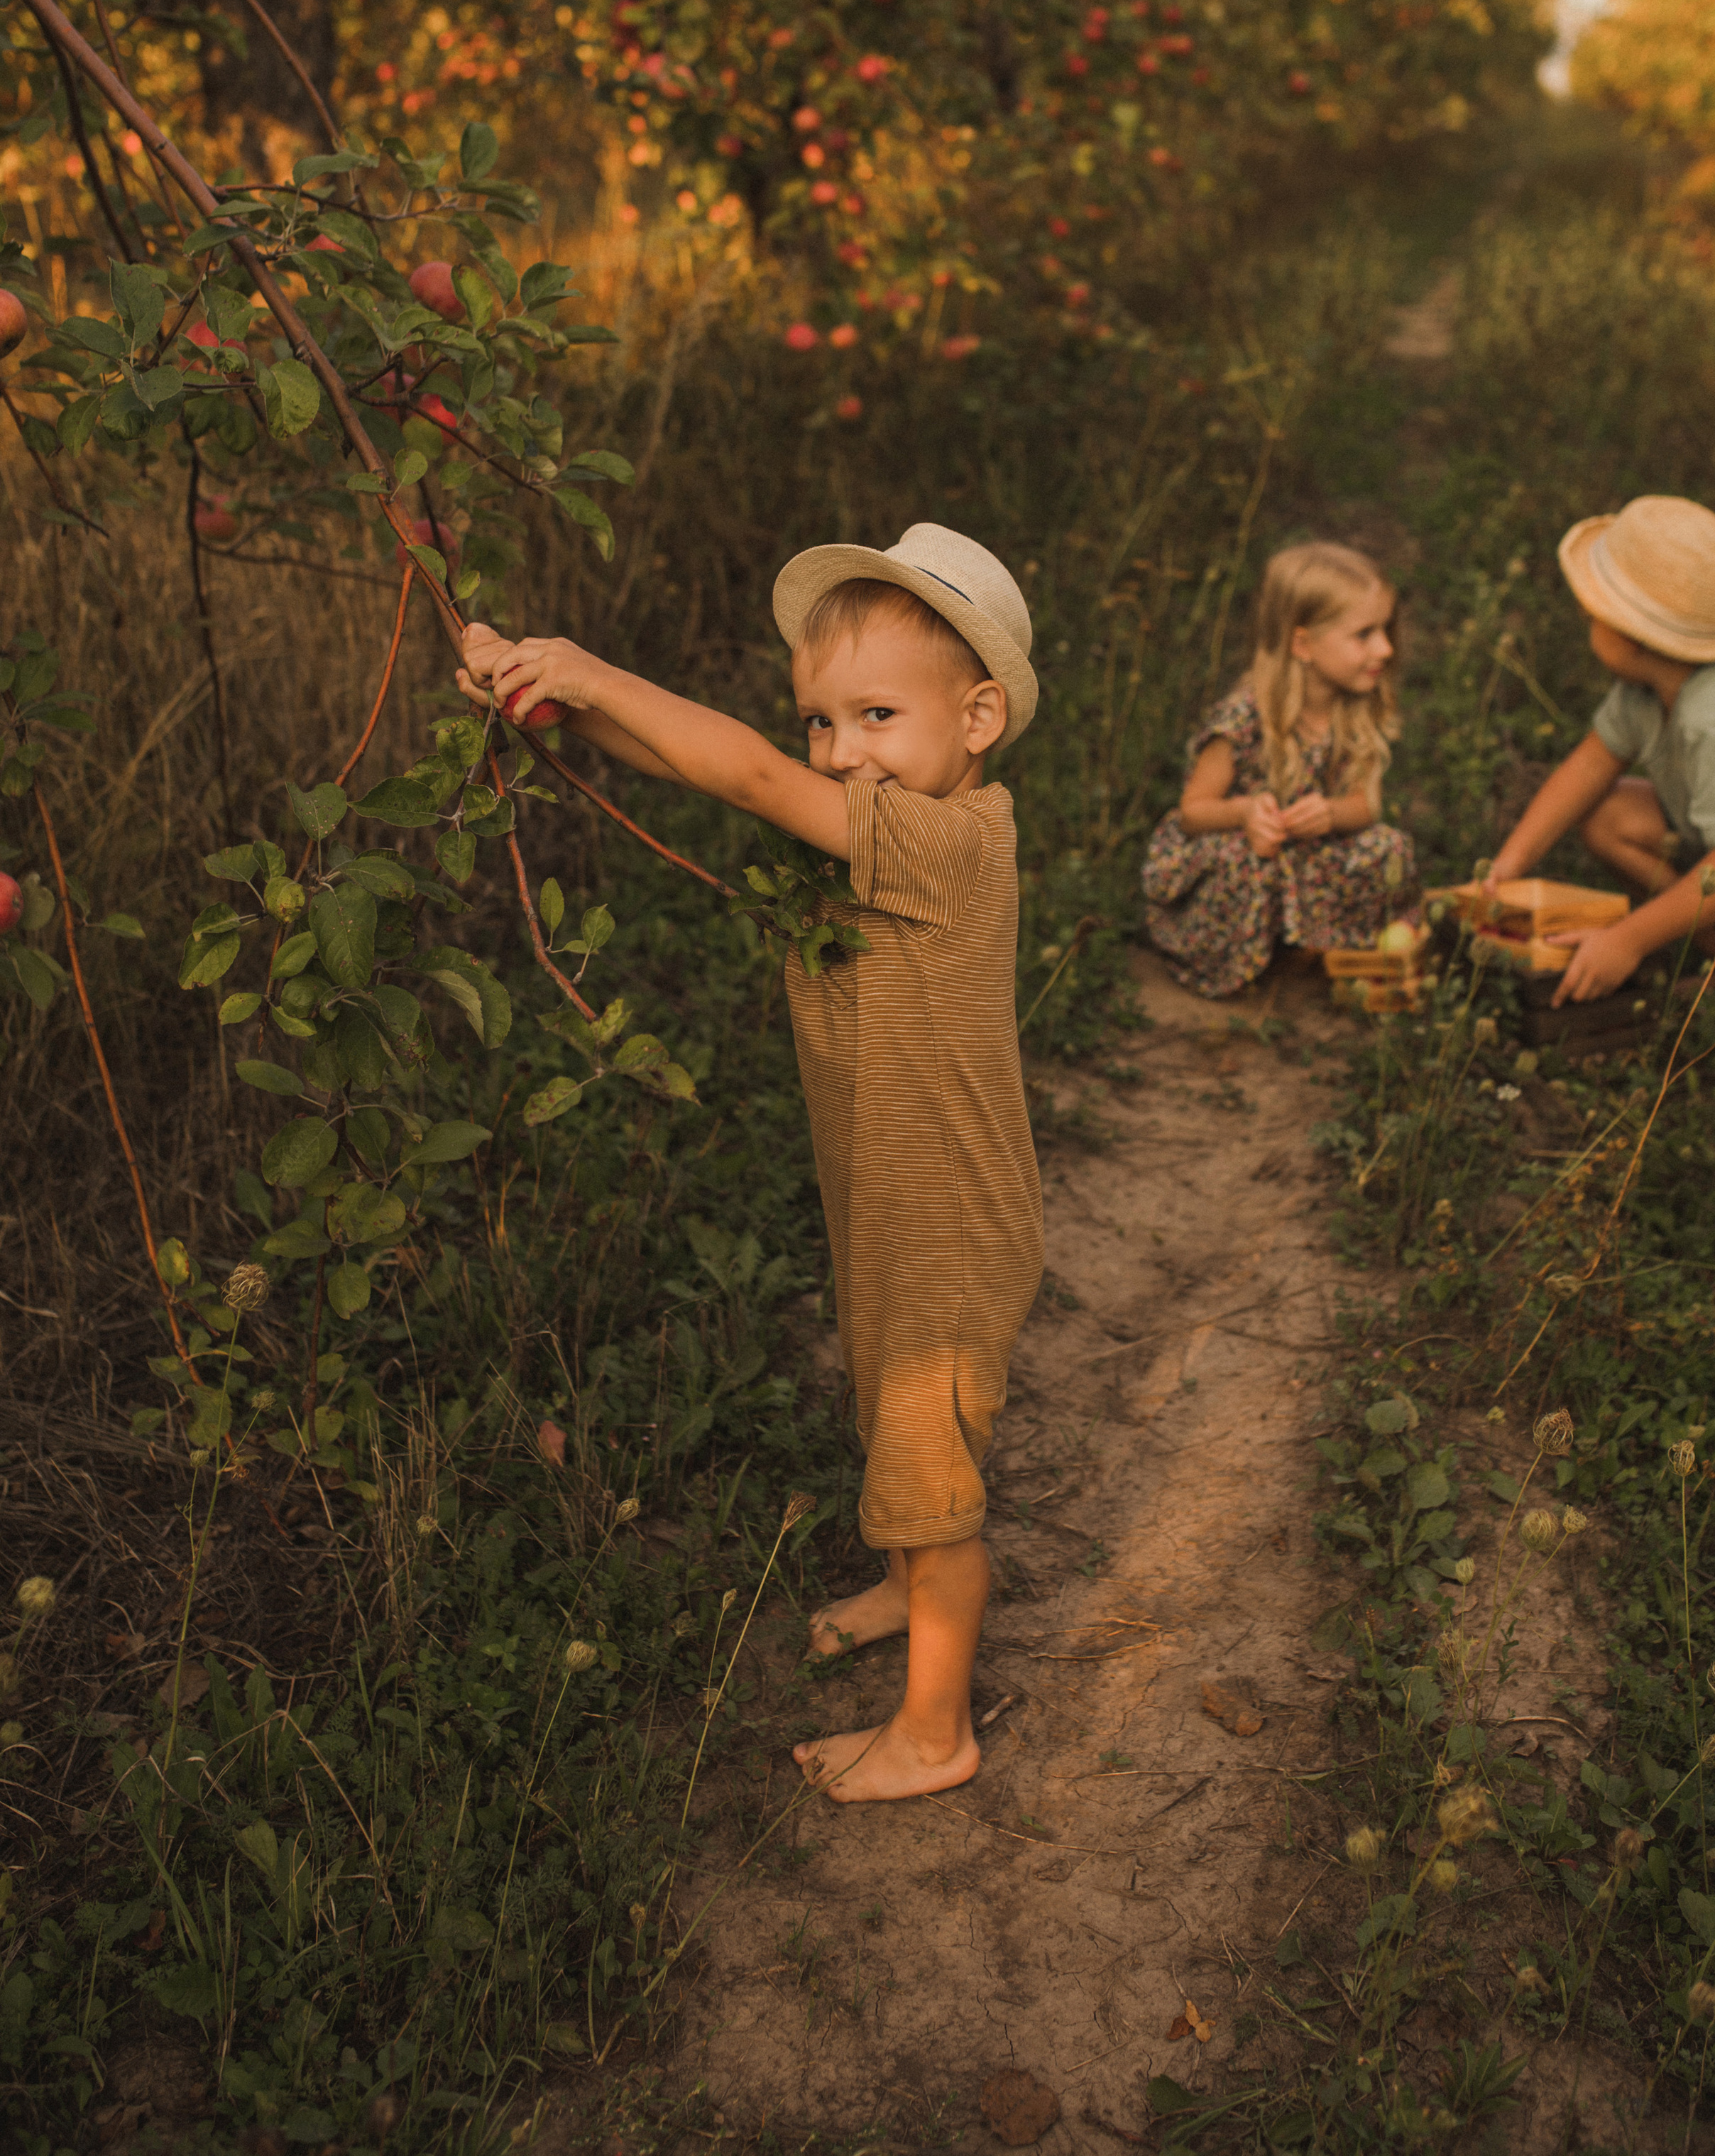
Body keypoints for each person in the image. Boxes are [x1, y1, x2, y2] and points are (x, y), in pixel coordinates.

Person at [456, 523, 1043, 1800]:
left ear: (980, 716)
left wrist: (596, 673)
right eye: (824, 724)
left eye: (877, 714)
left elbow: (755, 781)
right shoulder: (885, 817)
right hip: (889, 1195)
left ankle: (937, 1735)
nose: (843, 754)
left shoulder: (954, 846)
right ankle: (900, 1589)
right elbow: (712, 767)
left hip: (952, 1218)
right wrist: (550, 694)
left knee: (928, 1467)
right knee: (886, 1399)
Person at [1486, 494, 1715, 1070]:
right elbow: (1588, 770)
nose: (1589, 621)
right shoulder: (1648, 686)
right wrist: (1507, 867)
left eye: (1596, 613)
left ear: (1630, 636)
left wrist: (1630, 938)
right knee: (1612, 817)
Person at [1141, 540, 1420, 997]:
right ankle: (1231, 957)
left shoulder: (1355, 710)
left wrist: (1331, 814)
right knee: (1246, 867)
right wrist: (1246, 812)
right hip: (1247, 847)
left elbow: (1365, 807)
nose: (1386, 648)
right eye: (1365, 634)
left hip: (1306, 850)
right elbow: (1193, 811)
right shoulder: (1245, 717)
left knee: (1389, 849)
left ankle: (1306, 946)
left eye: (1386, 630)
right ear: (1303, 644)